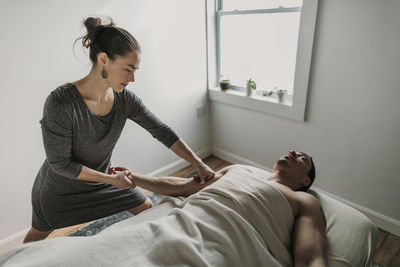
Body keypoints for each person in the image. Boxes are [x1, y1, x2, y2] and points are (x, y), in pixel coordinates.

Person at [24, 17, 215, 243]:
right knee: (37, 237)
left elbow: (161, 130)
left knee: (146, 206)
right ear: (104, 59)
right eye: (128, 69)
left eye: (135, 70)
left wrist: (198, 163)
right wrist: (110, 180)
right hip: (61, 189)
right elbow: (60, 164)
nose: (132, 78)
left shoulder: (125, 100)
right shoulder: (61, 103)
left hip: (105, 179)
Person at [111, 150, 327, 267]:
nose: (292, 153)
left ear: (306, 180)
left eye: (302, 158)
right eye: (294, 151)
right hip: (181, 224)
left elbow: (310, 258)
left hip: (230, 243)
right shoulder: (239, 169)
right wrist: (135, 177)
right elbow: (183, 187)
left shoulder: (303, 200)